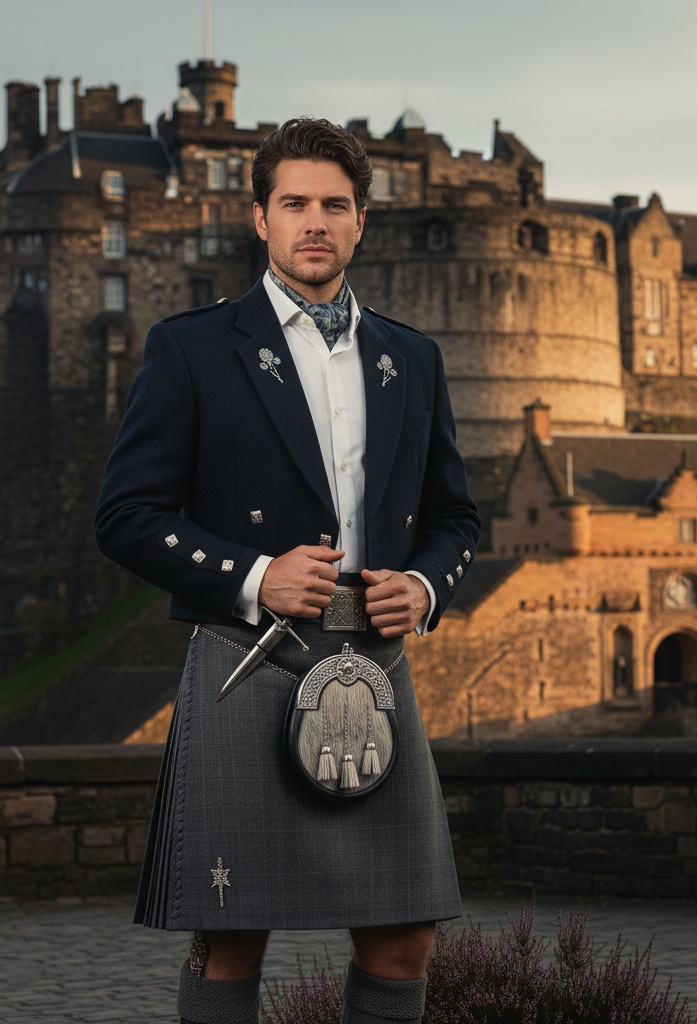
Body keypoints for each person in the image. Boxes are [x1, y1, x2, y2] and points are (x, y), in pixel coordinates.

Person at [95, 117, 480, 1024]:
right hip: (246, 657)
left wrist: (422, 587)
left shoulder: (410, 358)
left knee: (403, 933)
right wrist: (254, 573)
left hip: (375, 661)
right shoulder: (191, 348)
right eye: (295, 203)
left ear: (360, 224)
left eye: (334, 206)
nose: (316, 222)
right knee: (232, 931)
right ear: (259, 218)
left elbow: (457, 515)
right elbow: (126, 517)